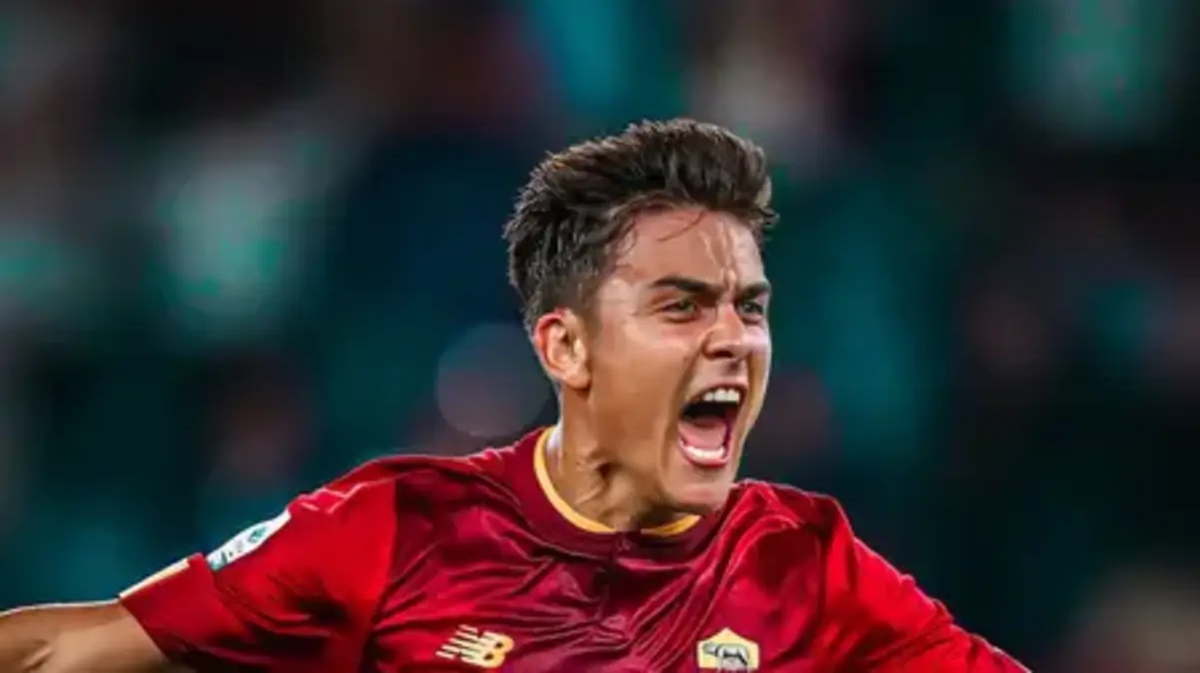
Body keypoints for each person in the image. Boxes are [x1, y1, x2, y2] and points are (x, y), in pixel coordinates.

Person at [0, 119, 1028, 672]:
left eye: (749, 308)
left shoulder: (807, 568)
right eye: (681, 306)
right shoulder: (397, 532)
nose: (734, 340)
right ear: (566, 347)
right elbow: (70, 647)